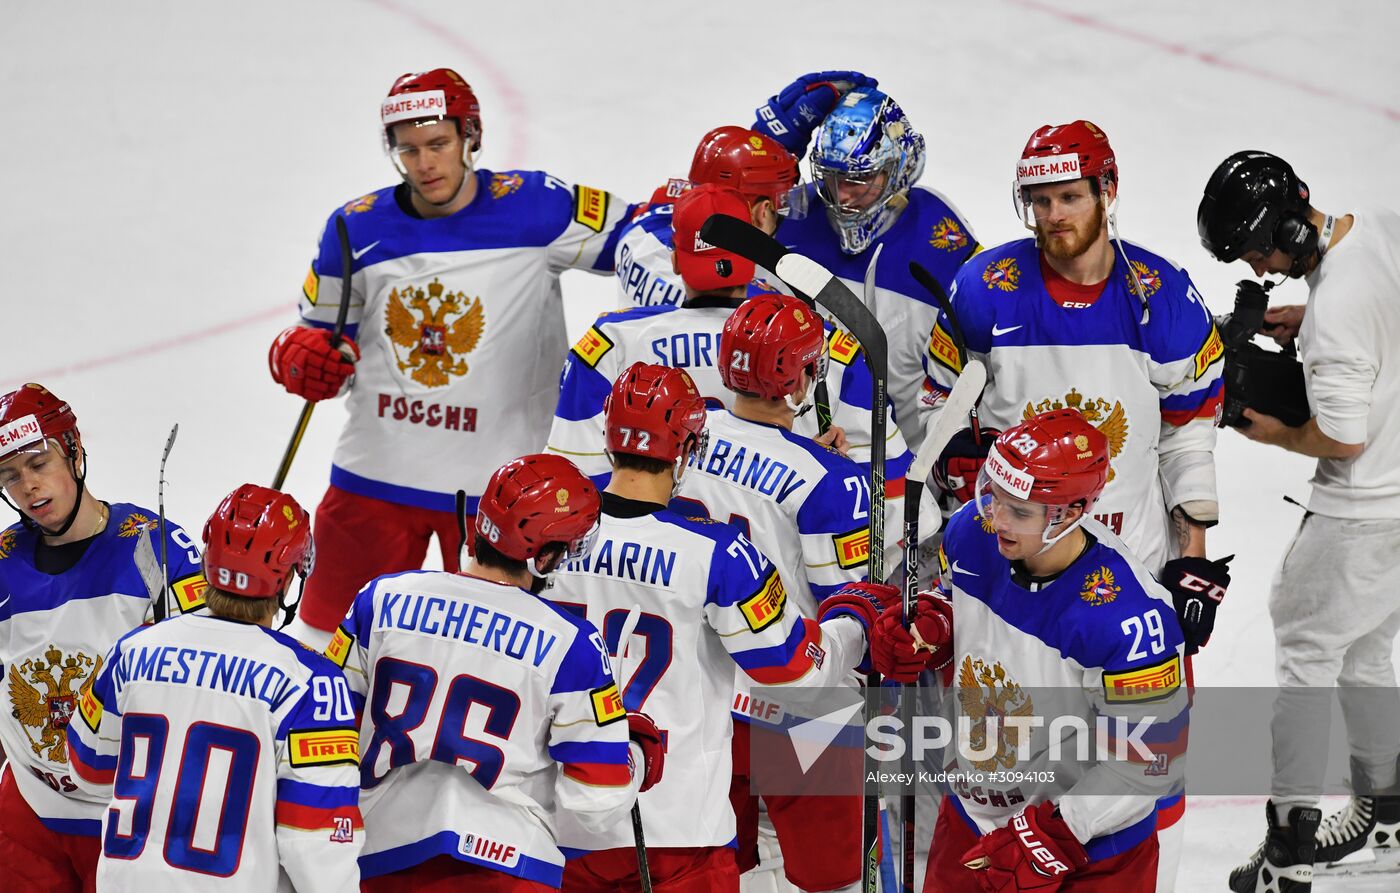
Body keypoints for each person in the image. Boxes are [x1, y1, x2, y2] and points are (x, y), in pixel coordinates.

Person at [918, 121, 1225, 890]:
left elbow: (1189, 432)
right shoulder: (985, 288)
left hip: (1131, 570)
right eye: (1039, 201)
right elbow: (936, 402)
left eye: (1068, 196)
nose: (1054, 215)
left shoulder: (1161, 296)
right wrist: (955, 453)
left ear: (1107, 192)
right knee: (998, 737)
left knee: (1145, 756)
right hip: (1013, 557)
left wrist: (1190, 557)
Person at [269, 67, 635, 645]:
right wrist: (300, 358)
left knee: (496, 656)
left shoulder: (538, 207)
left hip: (506, 491)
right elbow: (322, 342)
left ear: (470, 136)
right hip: (375, 481)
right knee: (324, 645)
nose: (424, 163)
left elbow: (647, 246)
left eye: (438, 144)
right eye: (408, 150)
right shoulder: (354, 228)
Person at [551, 361, 902, 891]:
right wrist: (853, 623)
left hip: (575, 797)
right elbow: (793, 665)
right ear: (688, 448)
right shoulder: (717, 553)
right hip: (683, 807)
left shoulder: (546, 537)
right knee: (844, 874)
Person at [875, 410, 1189, 893]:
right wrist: (931, 628)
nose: (996, 518)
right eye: (993, 497)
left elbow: (1148, 761)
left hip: (1090, 852)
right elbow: (954, 601)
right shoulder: (972, 533)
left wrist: (1053, 836)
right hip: (973, 815)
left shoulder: (1131, 618)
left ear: (1071, 513)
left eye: (1019, 511)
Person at [1197, 150, 1400, 891]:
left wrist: (1277, 434)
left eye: (1259, 249)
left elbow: (1343, 436)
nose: (1262, 266)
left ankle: (1290, 845)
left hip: (1360, 516)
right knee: (1367, 654)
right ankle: (1388, 817)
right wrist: (1312, 319)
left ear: (1288, 223)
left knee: (1305, 663)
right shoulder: (1377, 229)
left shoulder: (1337, 320)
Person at [329, 453, 663, 890]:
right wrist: (635, 751)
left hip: (379, 857)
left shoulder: (380, 598)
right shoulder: (572, 643)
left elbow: (328, 729)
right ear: (543, 557)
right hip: (511, 868)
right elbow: (595, 804)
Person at [547, 182, 911, 554]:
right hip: (777, 588)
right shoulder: (824, 345)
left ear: (674, 259)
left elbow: (569, 488)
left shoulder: (610, 342)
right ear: (752, 258)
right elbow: (894, 495)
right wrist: (821, 467)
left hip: (642, 581)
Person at [667, 292, 878, 892]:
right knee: (835, 877)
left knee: (727, 866)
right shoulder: (830, 479)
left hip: (705, 690)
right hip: (802, 695)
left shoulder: (685, 432)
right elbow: (849, 600)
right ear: (805, 374)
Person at [65, 484, 362, 890]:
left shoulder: (133, 650)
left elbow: (88, 768)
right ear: (289, 578)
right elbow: (315, 842)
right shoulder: (312, 681)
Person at [0, 383, 207, 893]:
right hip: (28, 810)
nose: (27, 486)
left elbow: (215, 676)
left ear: (73, 450)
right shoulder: (2, 561)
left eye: (38, 462)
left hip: (129, 816)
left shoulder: (157, 548)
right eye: (9, 475)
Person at [765, 86, 981, 451]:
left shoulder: (942, 238)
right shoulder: (792, 214)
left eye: (858, 179)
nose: (842, 196)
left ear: (898, 168)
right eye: (832, 178)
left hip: (899, 465)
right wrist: (764, 139)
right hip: (791, 450)